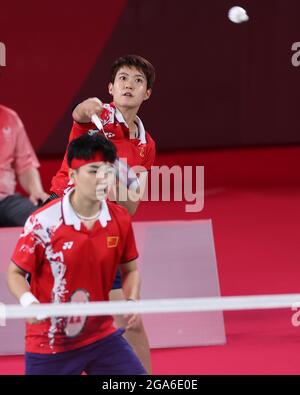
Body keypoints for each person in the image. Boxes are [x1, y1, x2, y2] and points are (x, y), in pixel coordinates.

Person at [49, 55, 156, 373]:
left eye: (139, 81)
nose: (129, 85)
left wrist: (120, 177)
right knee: (70, 324)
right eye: (123, 78)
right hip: (63, 221)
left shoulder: (146, 144)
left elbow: (132, 206)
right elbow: (79, 114)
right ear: (111, 87)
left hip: (104, 230)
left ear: (147, 93)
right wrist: (88, 108)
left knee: (130, 321)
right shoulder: (96, 118)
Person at [7, 133, 146, 375]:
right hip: (50, 342)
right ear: (72, 175)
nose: (102, 179)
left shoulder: (119, 219)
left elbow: (131, 269)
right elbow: (16, 273)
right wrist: (29, 303)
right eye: (93, 171)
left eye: (107, 171)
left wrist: (132, 300)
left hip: (101, 336)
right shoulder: (43, 222)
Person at [0, 105, 48, 226]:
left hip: (6, 201)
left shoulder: (10, 117)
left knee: (43, 221)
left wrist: (36, 190)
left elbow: (25, 165)